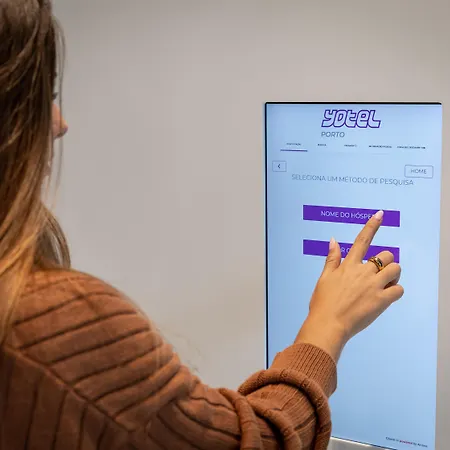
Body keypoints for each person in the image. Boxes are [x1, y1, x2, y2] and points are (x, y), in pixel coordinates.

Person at [0, 2, 404, 449]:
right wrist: (330, 323)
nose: (59, 123)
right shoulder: (56, 323)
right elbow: (259, 441)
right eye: (39, 96)